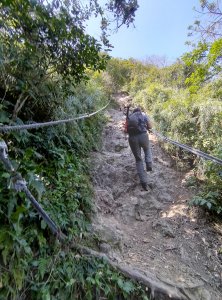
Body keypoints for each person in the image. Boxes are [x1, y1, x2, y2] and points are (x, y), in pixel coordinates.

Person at [126, 107, 153, 191]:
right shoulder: (143, 115)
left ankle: (144, 182)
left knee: (138, 159)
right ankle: (149, 165)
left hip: (132, 139)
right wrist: (146, 128)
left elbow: (125, 130)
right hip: (143, 136)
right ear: (140, 111)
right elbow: (150, 126)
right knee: (147, 149)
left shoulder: (129, 117)